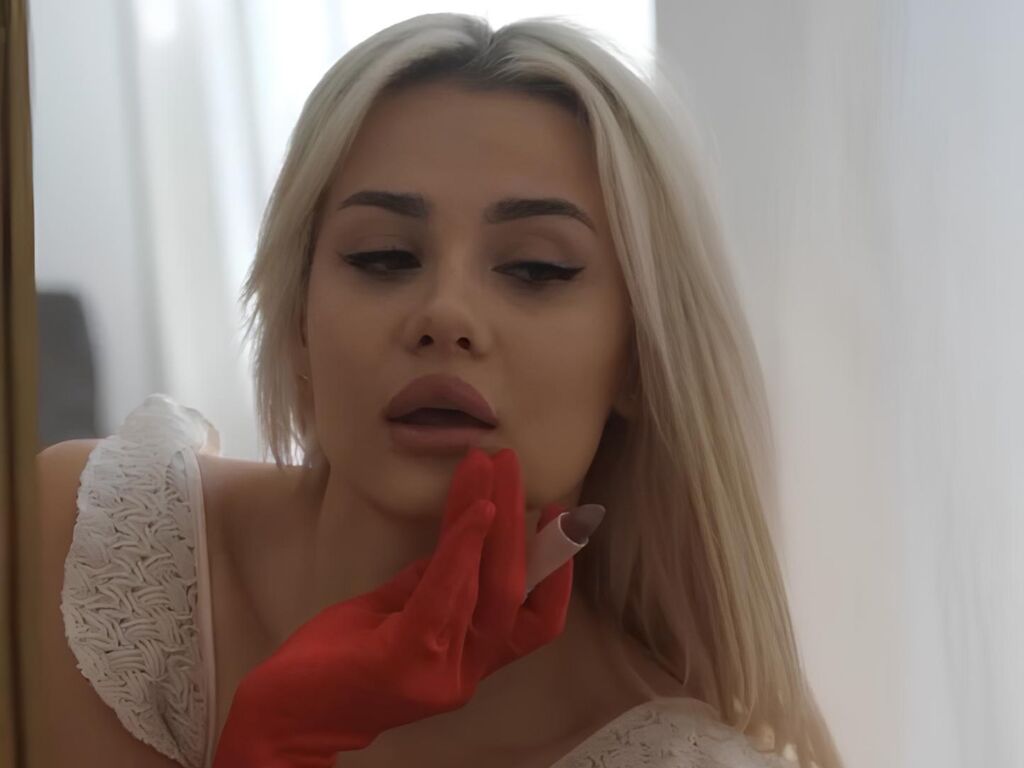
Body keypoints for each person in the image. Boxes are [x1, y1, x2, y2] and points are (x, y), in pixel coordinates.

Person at [35, 12, 845, 768]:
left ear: (637, 360)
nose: (445, 316)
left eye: (536, 268)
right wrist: (276, 730)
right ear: (299, 322)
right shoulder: (101, 547)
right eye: (383, 256)